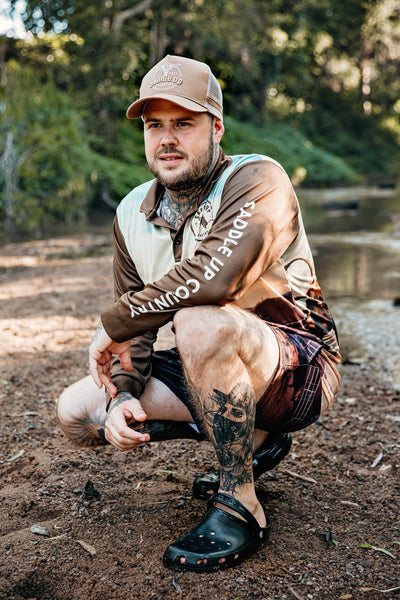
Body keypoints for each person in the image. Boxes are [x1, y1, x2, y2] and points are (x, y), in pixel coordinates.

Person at [57, 54, 341, 573]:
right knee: (77, 412)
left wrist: (114, 321)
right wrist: (122, 393)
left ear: (215, 127)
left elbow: (216, 278)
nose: (167, 139)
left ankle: (241, 503)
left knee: (196, 318)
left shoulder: (258, 179)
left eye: (183, 124)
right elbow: (136, 338)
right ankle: (254, 437)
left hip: (298, 366)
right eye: (154, 125)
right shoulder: (130, 213)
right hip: (211, 363)